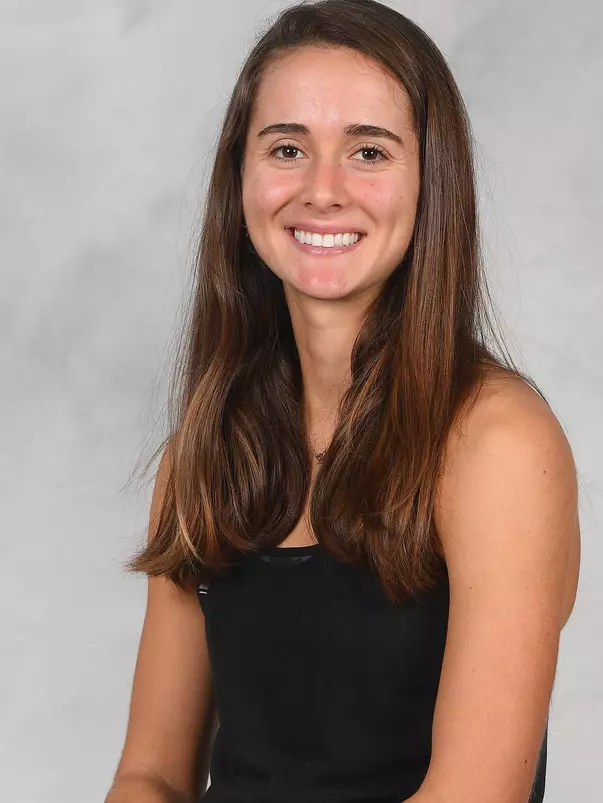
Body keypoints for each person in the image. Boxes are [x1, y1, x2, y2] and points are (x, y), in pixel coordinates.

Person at [105, 1, 581, 801]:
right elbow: (149, 774)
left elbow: (472, 793)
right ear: (241, 177)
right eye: (286, 147)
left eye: (368, 150)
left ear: (431, 181)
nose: (321, 190)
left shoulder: (498, 443)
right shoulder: (209, 446)